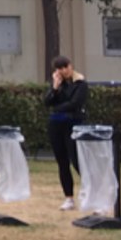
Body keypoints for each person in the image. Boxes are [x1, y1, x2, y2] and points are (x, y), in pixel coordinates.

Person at [43, 55, 88, 211]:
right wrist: (55, 87)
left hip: (73, 124)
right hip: (56, 125)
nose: (63, 71)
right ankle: (68, 198)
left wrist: (58, 108)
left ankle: (90, 191)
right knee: (62, 162)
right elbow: (47, 101)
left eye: (65, 67)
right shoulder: (59, 84)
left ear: (70, 66)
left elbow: (75, 103)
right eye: (60, 69)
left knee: (77, 160)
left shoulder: (80, 83)